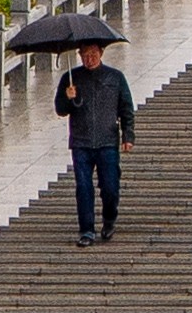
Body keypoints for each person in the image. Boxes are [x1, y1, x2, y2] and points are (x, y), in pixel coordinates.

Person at [55, 40, 135, 245]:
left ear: (101, 53)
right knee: (83, 186)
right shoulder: (71, 78)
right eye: (85, 55)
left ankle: (109, 219)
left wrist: (128, 136)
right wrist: (67, 97)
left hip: (107, 140)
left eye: (93, 54)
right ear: (79, 55)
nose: (89, 59)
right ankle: (87, 230)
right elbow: (60, 110)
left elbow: (126, 108)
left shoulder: (115, 77)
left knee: (110, 186)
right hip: (81, 141)